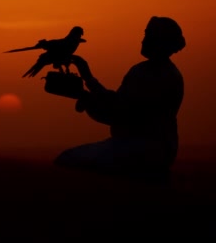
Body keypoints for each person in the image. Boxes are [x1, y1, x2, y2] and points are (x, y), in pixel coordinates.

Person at [52, 16, 186, 182]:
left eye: (149, 35)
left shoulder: (159, 76)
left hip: (143, 149)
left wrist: (86, 96)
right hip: (144, 147)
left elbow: (120, 114)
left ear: (160, 42)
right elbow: (118, 104)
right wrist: (87, 83)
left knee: (67, 160)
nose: (143, 40)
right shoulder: (146, 70)